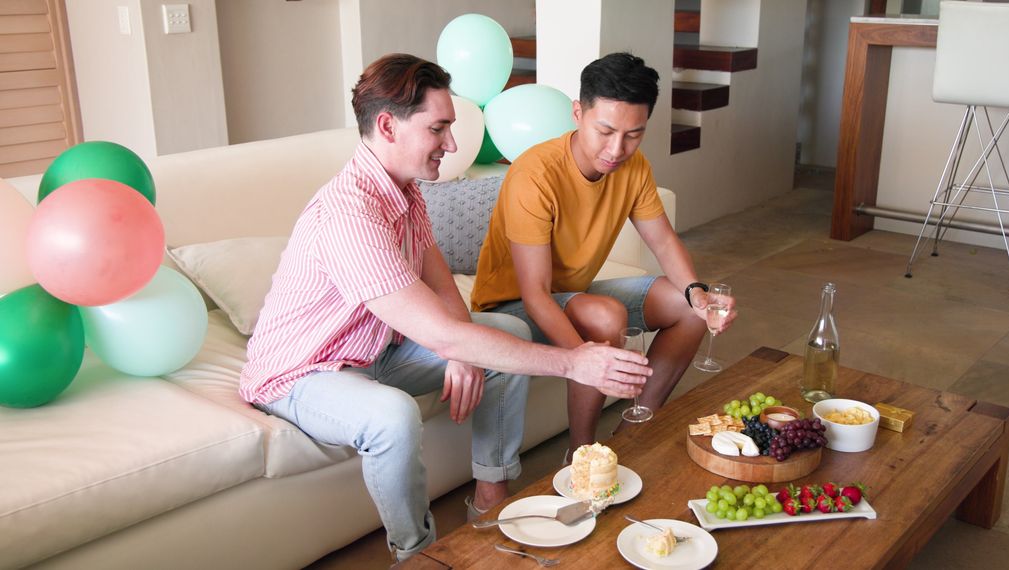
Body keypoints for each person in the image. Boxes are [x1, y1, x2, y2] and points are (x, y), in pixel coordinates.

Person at [239, 53, 651, 562]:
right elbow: (441, 332)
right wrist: (573, 362)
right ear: (387, 126)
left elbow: (439, 280)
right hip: (303, 372)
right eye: (438, 129)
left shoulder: (405, 191)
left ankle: (492, 498)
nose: (452, 144)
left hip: (377, 348)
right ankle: (417, 555)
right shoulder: (349, 214)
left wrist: (460, 348)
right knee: (392, 416)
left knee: (507, 334)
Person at [471, 52, 736, 453]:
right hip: (510, 308)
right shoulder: (535, 174)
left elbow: (664, 241)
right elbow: (536, 294)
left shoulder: (634, 167)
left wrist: (698, 295)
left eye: (633, 134)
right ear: (578, 113)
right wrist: (584, 359)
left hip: (572, 295)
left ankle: (634, 436)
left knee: (688, 307)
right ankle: (582, 455)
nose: (617, 149)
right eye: (606, 131)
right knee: (605, 315)